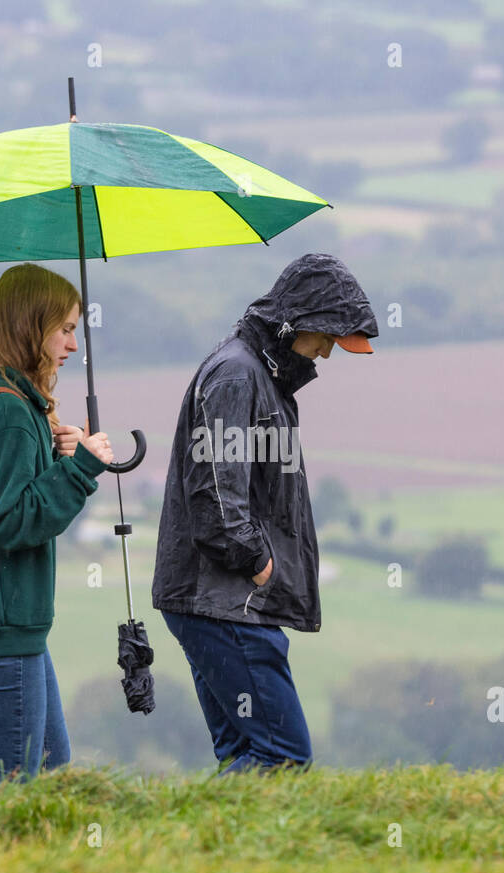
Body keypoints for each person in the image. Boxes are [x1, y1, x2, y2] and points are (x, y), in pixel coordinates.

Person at [151, 253, 379, 774]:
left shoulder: (258, 373)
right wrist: (259, 562)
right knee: (282, 756)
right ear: (293, 323)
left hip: (217, 597)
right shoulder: (237, 375)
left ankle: (207, 850)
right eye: (326, 336)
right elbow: (215, 494)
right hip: (225, 598)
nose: (327, 352)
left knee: (245, 753)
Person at [0, 262, 114, 783]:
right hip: (2, 618)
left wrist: (61, 453)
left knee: (53, 776)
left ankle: (48, 863)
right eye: (64, 329)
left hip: (11, 617)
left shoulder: (2, 396)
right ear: (28, 327)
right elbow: (9, 522)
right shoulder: (10, 413)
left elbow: (6, 491)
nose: (73, 345)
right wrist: (83, 467)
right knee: (15, 785)